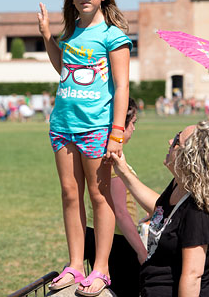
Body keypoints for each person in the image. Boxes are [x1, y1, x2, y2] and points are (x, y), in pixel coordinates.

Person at [37, 0, 132, 296]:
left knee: (99, 196)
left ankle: (101, 269)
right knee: (69, 194)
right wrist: (48, 36)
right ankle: (76, 264)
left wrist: (117, 134)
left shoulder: (113, 36)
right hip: (63, 125)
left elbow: (122, 87)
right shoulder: (72, 32)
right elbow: (63, 69)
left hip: (97, 128)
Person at [111, 121, 209, 297]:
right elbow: (161, 210)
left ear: (187, 157)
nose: (169, 142)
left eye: (176, 140)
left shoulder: (198, 211)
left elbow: (192, 277)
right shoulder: (179, 185)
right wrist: (124, 172)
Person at [84, 98, 147, 297]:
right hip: (116, 241)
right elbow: (120, 212)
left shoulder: (100, 155)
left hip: (100, 235)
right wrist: (141, 252)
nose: (134, 129)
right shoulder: (111, 163)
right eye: (133, 123)